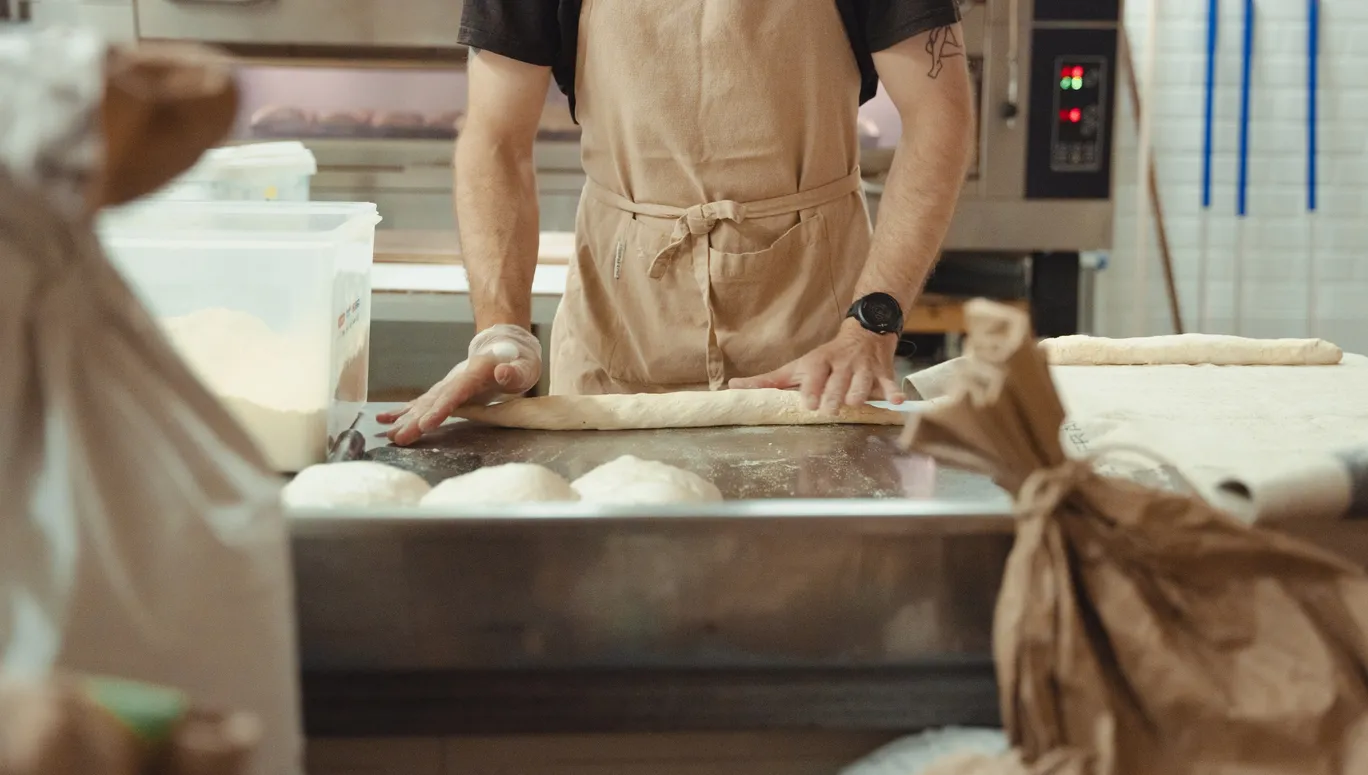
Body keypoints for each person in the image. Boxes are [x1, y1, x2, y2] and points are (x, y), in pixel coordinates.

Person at [383, 0, 975, 445]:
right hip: (619, 334)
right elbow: (494, 139)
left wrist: (870, 326)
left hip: (813, 346)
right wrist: (501, 333)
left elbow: (938, 118)